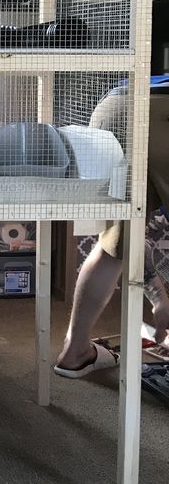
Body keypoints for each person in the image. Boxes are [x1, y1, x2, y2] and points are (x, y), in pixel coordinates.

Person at [54, 84, 169, 377]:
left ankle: (75, 351)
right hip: (163, 114)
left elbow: (129, 246)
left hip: (113, 111)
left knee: (116, 240)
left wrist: (159, 298)